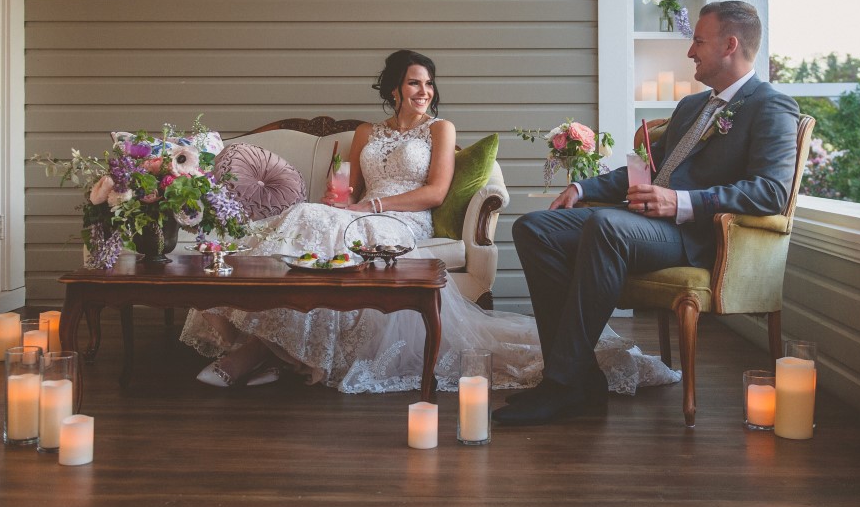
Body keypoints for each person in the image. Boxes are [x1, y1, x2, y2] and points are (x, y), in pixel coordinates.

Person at [180, 50, 680, 395]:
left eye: (428, 83)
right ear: (394, 88)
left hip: (405, 223)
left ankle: (258, 351)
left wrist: (370, 209)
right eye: (414, 82)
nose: (424, 90)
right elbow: (349, 193)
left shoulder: (440, 129)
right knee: (309, 216)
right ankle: (280, 352)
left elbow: (436, 192)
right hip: (362, 211)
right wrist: (342, 200)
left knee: (336, 228)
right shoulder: (363, 132)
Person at [496, 1, 799, 425]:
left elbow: (771, 191)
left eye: (698, 40)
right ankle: (582, 378)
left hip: (697, 236)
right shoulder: (692, 107)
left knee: (606, 224)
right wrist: (582, 186)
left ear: (730, 45)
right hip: (640, 224)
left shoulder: (772, 106)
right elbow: (645, 167)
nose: (690, 51)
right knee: (535, 228)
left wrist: (683, 203)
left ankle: (561, 385)